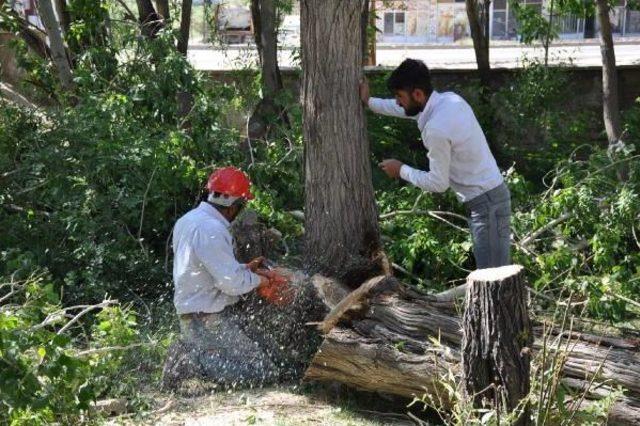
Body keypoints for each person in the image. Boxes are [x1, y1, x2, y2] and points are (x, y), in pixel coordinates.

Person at [360, 58, 511, 269]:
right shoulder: (449, 101)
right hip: (493, 196)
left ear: (418, 94)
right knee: (496, 277)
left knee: (492, 280)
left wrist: (401, 170)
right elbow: (403, 109)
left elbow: (439, 183)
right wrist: (369, 102)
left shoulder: (436, 129)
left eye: (400, 96)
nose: (397, 102)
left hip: (485, 205)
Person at [170, 166, 292, 387]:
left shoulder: (188, 220)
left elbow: (208, 269)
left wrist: (246, 270)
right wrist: (262, 280)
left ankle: (196, 354)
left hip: (199, 313)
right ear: (231, 205)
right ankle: (190, 364)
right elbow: (231, 283)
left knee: (269, 355)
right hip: (206, 318)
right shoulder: (211, 229)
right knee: (263, 371)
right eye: (241, 205)